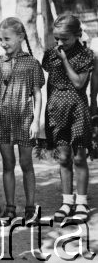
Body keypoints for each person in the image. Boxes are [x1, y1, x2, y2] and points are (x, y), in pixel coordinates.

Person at [0, 17, 44, 224]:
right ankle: (10, 208)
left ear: (20, 37)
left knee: (26, 163)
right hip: (1, 120)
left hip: (24, 119)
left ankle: (30, 208)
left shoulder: (31, 63)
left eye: (7, 39)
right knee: (8, 164)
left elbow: (37, 93)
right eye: (0, 39)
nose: (3, 43)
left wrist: (36, 121)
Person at [43, 15, 94, 223]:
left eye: (64, 38)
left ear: (77, 35)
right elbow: (50, 84)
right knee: (63, 158)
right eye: (56, 39)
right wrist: (47, 113)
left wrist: (64, 60)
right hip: (57, 110)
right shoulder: (50, 54)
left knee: (79, 158)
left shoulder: (85, 55)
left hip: (77, 110)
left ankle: (81, 202)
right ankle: (67, 202)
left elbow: (79, 83)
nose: (60, 44)